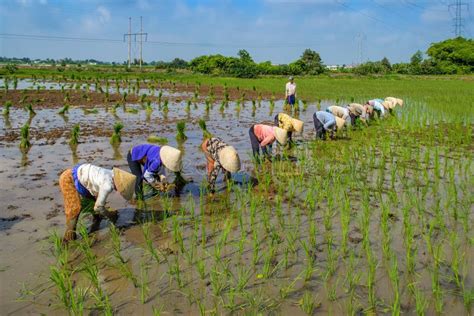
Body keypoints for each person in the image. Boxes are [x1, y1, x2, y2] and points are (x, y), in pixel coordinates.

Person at [59, 163, 136, 242]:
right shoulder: (107, 186)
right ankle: (69, 237)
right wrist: (110, 216)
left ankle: (97, 218)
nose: (118, 191)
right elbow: (98, 207)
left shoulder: (111, 173)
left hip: (81, 176)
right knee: (74, 209)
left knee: (93, 200)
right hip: (68, 179)